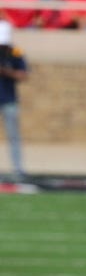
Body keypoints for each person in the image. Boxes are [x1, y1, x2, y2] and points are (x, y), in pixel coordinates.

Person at [0, 19, 27, 180]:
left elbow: (23, 74)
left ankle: (18, 170)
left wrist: (6, 72)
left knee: (14, 136)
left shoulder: (15, 52)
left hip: (9, 100)